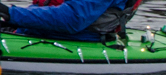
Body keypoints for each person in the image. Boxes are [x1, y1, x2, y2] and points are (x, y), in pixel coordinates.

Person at [0, 0, 136, 43]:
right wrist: (14, 20)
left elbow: (72, 19)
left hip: (72, 39)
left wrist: (10, 13)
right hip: (43, 33)